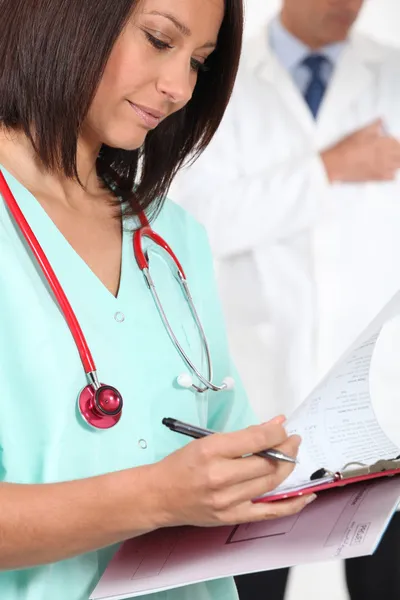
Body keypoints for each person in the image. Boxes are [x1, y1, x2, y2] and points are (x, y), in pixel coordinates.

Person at [0, 1, 316, 599]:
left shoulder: (174, 239)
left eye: (198, 62)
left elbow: (220, 440)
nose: (177, 88)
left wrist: (274, 473)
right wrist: (155, 498)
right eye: (158, 38)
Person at [169, 0, 400, 599]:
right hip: (262, 401)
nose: (349, 4)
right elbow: (194, 217)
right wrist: (327, 169)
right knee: (250, 587)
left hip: (386, 395)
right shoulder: (220, 77)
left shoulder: (394, 74)